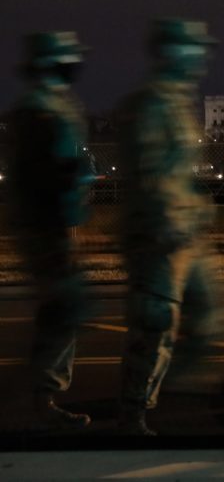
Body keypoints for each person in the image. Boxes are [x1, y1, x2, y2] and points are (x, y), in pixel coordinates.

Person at [115, 19, 224, 435]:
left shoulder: (177, 102)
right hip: (158, 234)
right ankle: (134, 414)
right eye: (194, 48)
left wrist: (197, 205)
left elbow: (176, 172)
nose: (202, 56)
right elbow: (149, 174)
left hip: (185, 231)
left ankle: (171, 395)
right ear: (171, 52)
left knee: (210, 316)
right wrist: (171, 217)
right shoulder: (149, 104)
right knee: (156, 324)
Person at [7, 31, 94, 430]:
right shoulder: (38, 110)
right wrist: (72, 175)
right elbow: (42, 174)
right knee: (63, 310)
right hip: (46, 224)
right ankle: (38, 400)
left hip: (57, 222)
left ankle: (41, 396)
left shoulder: (56, 104)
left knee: (62, 311)